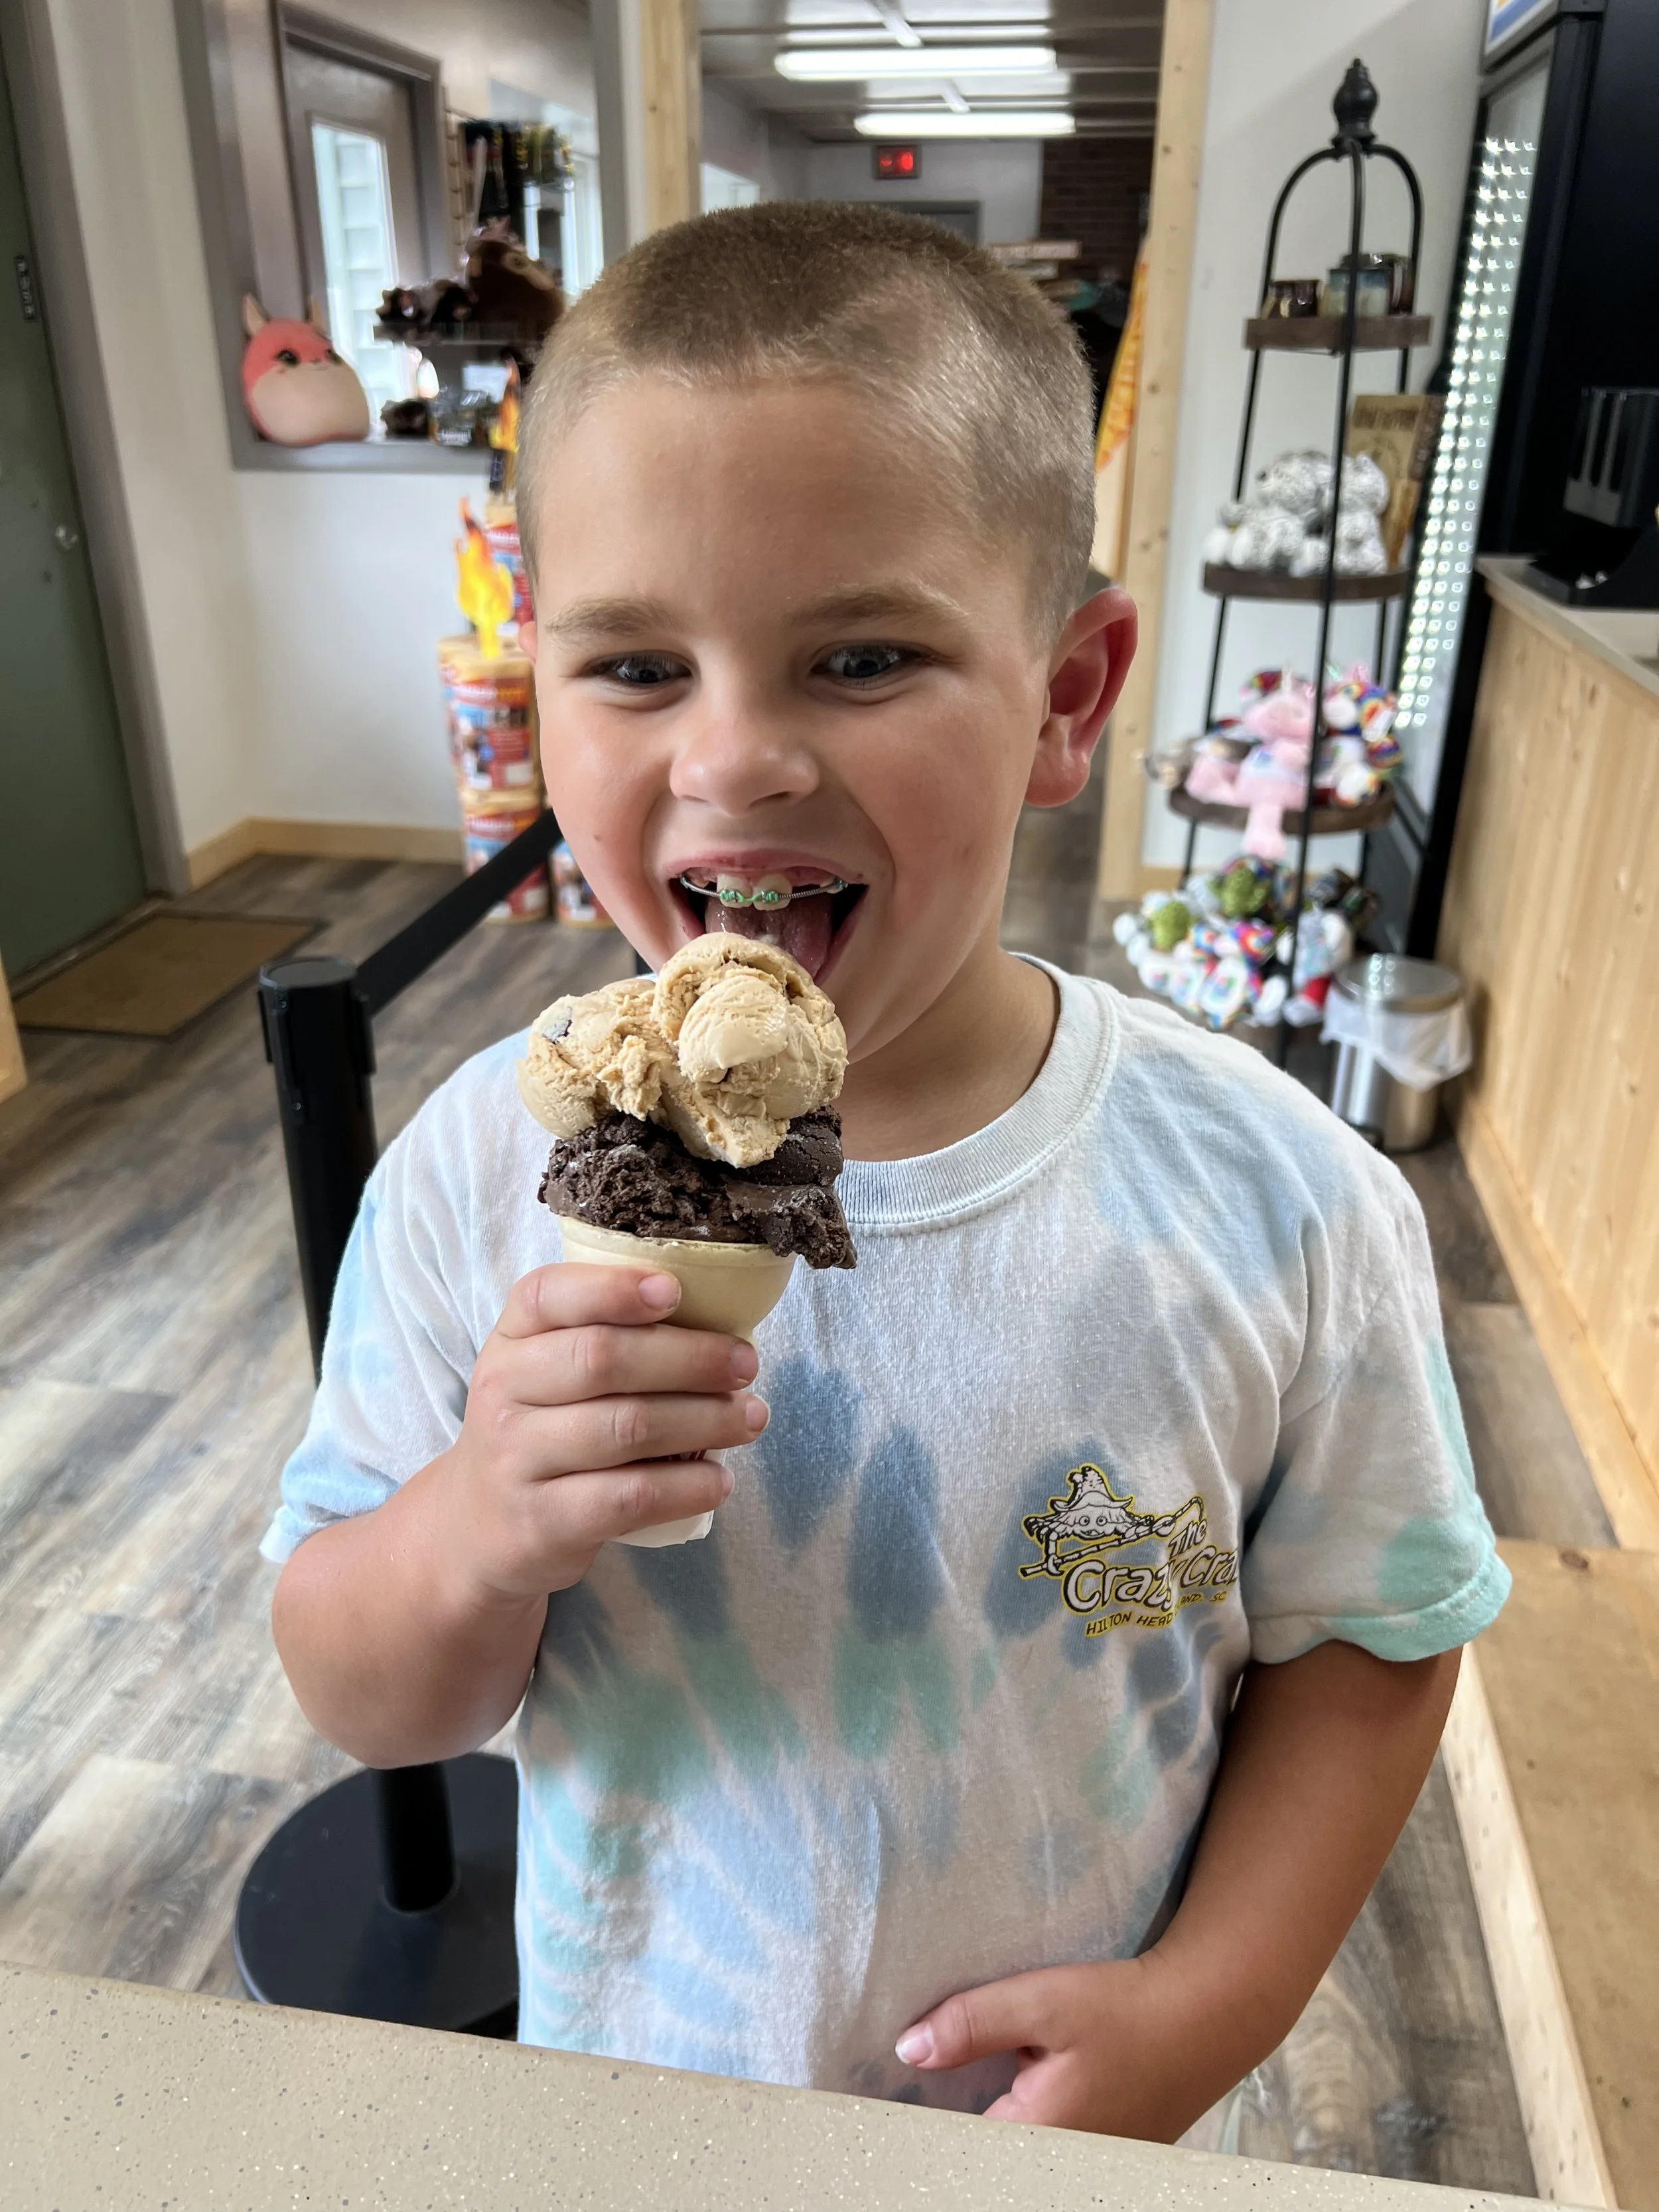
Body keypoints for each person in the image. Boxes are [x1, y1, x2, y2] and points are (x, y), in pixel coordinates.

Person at [264, 204, 1507, 2140]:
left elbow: (1367, 1641)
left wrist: (1213, 1998)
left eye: (856, 655)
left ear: (1067, 699)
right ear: (541, 700)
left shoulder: (1287, 1206)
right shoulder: (477, 1173)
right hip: (642, 2104)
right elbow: (361, 1679)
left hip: (1080, 2130)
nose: (737, 758)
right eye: (634, 666)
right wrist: (479, 1519)